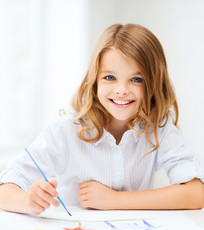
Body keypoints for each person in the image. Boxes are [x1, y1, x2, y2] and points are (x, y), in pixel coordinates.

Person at [0, 24, 204, 216]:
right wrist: (28, 201)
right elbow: (5, 188)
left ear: (153, 82)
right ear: (94, 80)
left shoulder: (159, 127)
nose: (122, 90)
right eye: (109, 77)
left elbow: (196, 193)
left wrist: (116, 200)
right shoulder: (64, 130)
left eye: (136, 79)